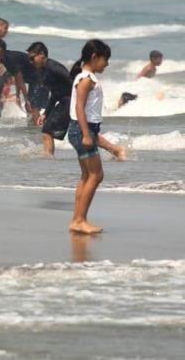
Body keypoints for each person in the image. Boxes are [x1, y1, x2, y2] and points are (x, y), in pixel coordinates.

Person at [67, 39, 112, 234]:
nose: (107, 64)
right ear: (94, 57)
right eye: (105, 59)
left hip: (83, 129)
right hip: (82, 129)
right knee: (96, 175)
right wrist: (86, 134)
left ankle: (77, 219)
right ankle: (79, 220)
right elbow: (79, 108)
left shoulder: (84, 77)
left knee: (87, 176)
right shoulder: (86, 79)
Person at [0, 39, 49, 123]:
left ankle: (37, 129)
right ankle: (34, 130)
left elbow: (20, 80)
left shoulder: (9, 58)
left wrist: (25, 98)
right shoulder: (5, 59)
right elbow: (17, 78)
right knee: (32, 107)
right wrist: (17, 95)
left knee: (34, 107)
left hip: (41, 80)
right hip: (35, 81)